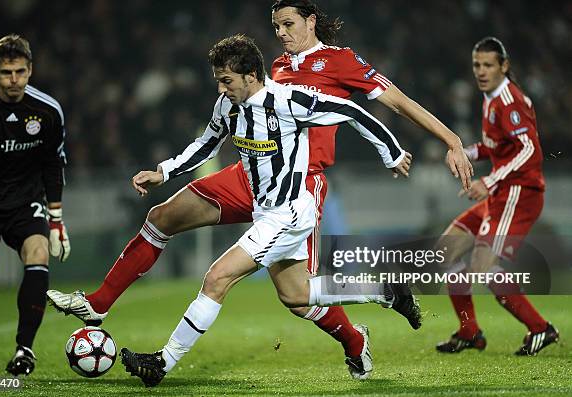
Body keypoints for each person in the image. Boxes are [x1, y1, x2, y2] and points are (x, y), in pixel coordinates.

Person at [47, 0, 472, 380]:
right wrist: (165, 169)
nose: (282, 34)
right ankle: (99, 303)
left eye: (288, 24)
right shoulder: (273, 72)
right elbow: (229, 123)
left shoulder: (338, 62)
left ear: (310, 20)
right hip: (249, 172)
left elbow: (390, 103)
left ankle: (359, 332)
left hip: (299, 183)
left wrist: (448, 141)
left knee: (297, 296)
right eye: (276, 27)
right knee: (161, 216)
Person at [117, 33, 417, 387]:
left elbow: (351, 110)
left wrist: (392, 153)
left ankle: (162, 363)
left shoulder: (289, 101)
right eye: (218, 81)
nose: (221, 89)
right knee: (297, 295)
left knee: (217, 277)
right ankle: (384, 290)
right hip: (266, 213)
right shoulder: (228, 106)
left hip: (288, 213)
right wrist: (163, 171)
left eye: (227, 81)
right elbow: (206, 145)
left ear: (251, 75)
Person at [435, 37, 559, 356]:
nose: (481, 71)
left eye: (488, 64)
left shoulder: (510, 100)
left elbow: (529, 149)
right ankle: (469, 330)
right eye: (477, 64)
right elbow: (496, 148)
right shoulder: (490, 98)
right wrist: (465, 152)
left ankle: (541, 328)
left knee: (482, 265)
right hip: (502, 191)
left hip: (520, 192)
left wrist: (489, 180)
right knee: (447, 250)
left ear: (504, 66)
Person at [0, 34, 70, 376]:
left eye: (20, 72)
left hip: (25, 203)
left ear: (31, 70)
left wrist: (56, 219)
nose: (14, 81)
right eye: (7, 73)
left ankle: (25, 349)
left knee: (38, 255)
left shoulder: (48, 111)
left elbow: (54, 164)